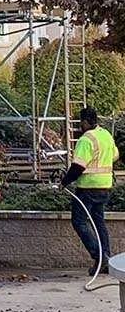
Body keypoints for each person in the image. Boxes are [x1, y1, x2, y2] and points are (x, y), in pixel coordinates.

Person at [61, 106, 120, 275]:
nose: (81, 125)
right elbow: (115, 155)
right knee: (98, 222)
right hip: (105, 186)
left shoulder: (86, 140)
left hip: (88, 187)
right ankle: (106, 258)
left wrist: (64, 182)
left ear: (86, 122)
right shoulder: (105, 134)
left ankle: (99, 256)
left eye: (81, 122)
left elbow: (78, 166)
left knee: (79, 221)